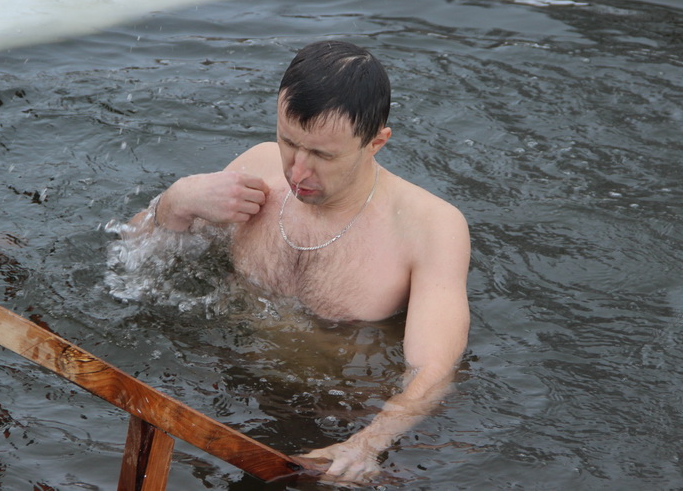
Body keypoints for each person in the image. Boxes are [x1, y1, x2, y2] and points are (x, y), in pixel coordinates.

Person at [130, 40, 471, 483]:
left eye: (324, 155)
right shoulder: (258, 167)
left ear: (376, 142)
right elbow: (130, 255)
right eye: (288, 142)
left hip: (336, 419)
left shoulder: (430, 227)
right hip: (221, 385)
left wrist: (367, 444)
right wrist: (175, 203)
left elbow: (433, 370)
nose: (297, 172)